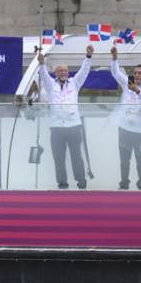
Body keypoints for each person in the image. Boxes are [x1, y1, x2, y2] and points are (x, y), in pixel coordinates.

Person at [37, 45, 94, 189]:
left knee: (76, 156)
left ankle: (81, 181)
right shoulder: (51, 85)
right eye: (60, 71)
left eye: (65, 71)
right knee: (59, 158)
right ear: (55, 73)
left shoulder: (75, 83)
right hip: (56, 127)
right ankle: (62, 183)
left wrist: (88, 57)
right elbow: (43, 75)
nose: (63, 72)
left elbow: (84, 71)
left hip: (74, 126)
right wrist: (42, 64)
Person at [110, 46, 141, 190]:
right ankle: (124, 183)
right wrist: (114, 58)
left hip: (140, 129)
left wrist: (137, 91)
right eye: (135, 73)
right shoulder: (128, 83)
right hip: (124, 128)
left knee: (140, 159)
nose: (137, 75)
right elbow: (116, 73)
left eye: (140, 73)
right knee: (124, 160)